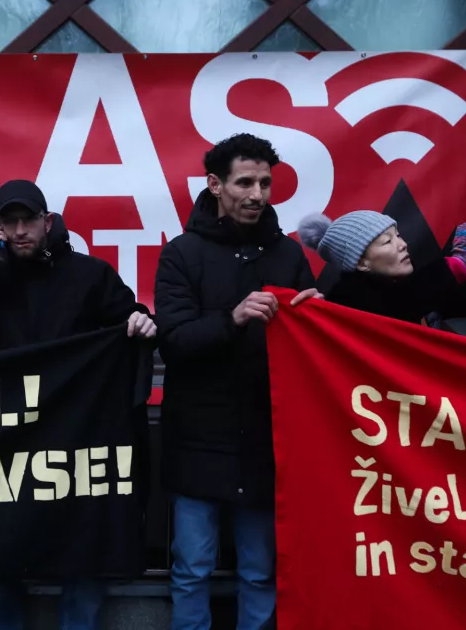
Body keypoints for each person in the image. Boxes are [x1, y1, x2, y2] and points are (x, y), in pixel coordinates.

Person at [0, 178, 156, 630]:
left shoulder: (90, 274)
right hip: (11, 442)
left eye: (27, 220)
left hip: (77, 440)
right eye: (8, 222)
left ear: (47, 221)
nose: (19, 231)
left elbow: (132, 319)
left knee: (83, 552)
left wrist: (143, 321)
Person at [153, 133, 319, 630]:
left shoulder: (288, 255)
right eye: (245, 182)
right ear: (214, 185)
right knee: (191, 569)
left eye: (266, 183)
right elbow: (175, 340)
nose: (258, 194)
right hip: (198, 438)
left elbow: (311, 342)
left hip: (266, 440)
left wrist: (318, 320)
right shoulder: (181, 253)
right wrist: (234, 317)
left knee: (261, 570)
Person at [296, 207, 466, 322]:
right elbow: (402, 303)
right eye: (388, 241)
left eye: (398, 236)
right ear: (361, 262)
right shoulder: (349, 304)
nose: (402, 245)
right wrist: (457, 262)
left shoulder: (408, 284)